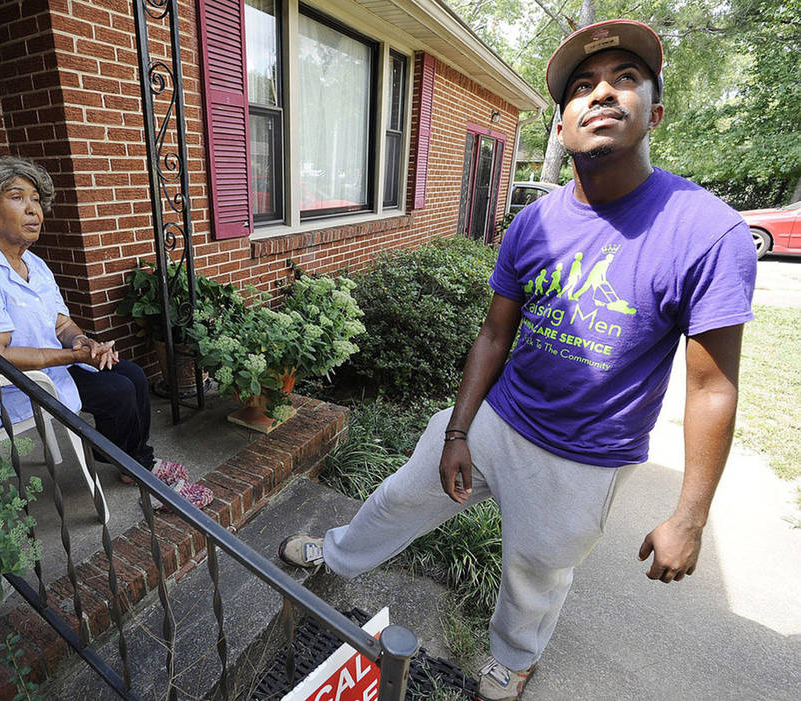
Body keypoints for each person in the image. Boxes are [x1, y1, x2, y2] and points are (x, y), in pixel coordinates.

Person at [278, 19, 755, 701]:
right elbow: (494, 335)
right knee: (399, 495)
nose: (602, 95)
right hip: (499, 419)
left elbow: (712, 387)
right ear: (560, 126)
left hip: (585, 459)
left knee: (536, 573)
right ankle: (340, 552)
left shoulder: (707, 232)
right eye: (583, 87)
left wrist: (689, 515)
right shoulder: (533, 223)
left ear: (656, 109)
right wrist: (458, 429)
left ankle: (509, 660)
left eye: (626, 80)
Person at [0, 154, 211, 507]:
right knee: (117, 390)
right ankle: (140, 467)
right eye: (17, 198)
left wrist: (82, 341)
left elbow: (60, 322)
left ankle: (130, 459)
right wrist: (73, 356)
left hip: (44, 366)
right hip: (5, 386)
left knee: (133, 375)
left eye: (36, 200)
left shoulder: (32, 261)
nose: (34, 210)